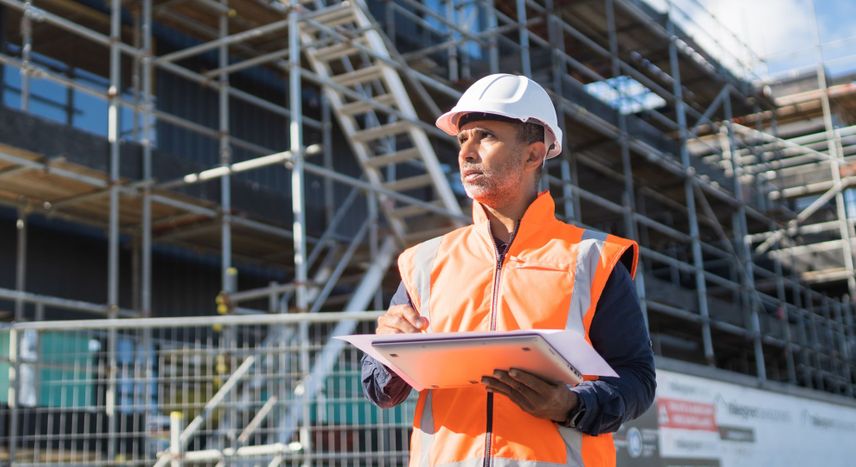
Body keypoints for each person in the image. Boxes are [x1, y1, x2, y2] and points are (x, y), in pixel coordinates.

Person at [361, 74, 656, 466]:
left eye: (485, 136)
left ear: (534, 155)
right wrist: (388, 352)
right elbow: (379, 390)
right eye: (462, 139)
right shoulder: (424, 262)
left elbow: (637, 379)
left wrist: (572, 405)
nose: (467, 152)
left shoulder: (593, 258)